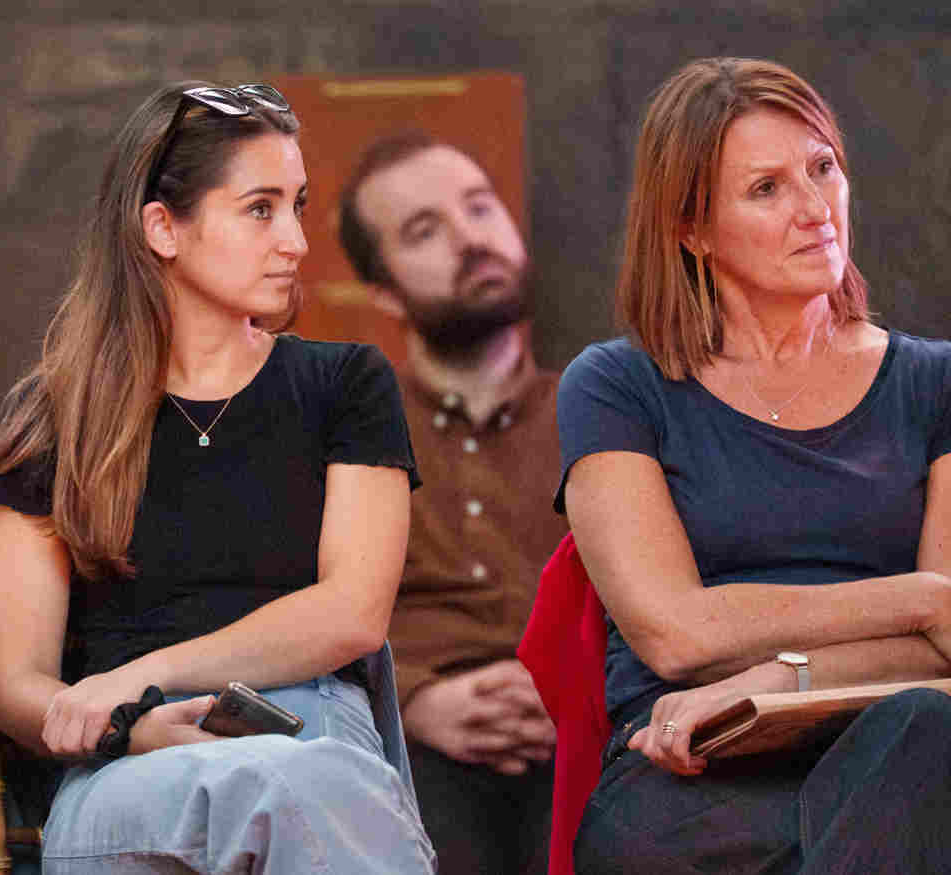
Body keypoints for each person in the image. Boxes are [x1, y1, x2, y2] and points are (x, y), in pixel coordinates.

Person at [0, 81, 435, 873]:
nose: (294, 240)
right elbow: (20, 683)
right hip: (128, 769)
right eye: (261, 209)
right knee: (307, 794)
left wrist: (136, 678)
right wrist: (133, 723)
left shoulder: (345, 384)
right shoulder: (58, 414)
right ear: (162, 228)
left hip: (311, 735)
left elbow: (353, 614)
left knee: (299, 780)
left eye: (298, 205)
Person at [557, 56, 951, 874]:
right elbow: (675, 632)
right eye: (766, 189)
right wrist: (916, 599)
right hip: (697, 760)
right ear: (691, 230)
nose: (815, 210)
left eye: (822, 167)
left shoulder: (937, 382)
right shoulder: (618, 386)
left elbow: (948, 648)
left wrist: (777, 677)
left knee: (922, 735)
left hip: (891, 734)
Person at [337, 130, 564, 873]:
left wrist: (579, 692)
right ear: (383, 291)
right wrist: (411, 703)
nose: (471, 239)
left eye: (479, 207)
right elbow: (303, 614)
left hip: (592, 732)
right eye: (424, 230)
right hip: (408, 747)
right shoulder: (343, 433)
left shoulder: (604, 412)